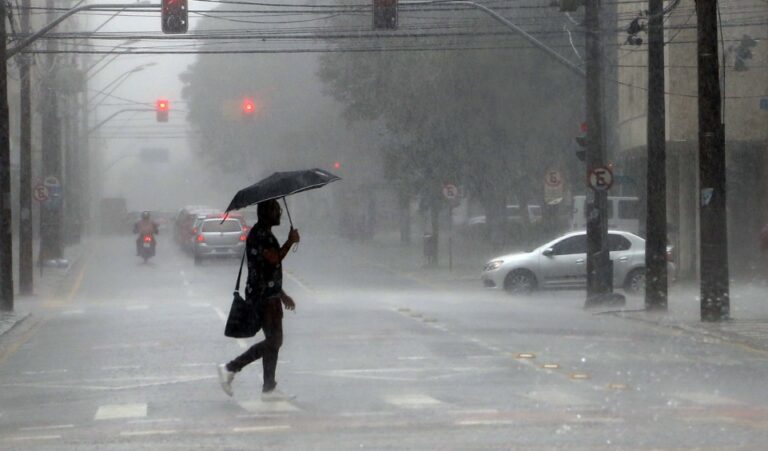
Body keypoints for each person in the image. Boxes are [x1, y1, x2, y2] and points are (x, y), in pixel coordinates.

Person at [218, 199, 300, 401]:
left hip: (270, 295)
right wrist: (290, 241)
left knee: (275, 341)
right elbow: (274, 259)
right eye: (275, 210)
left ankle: (269, 388)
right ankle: (230, 368)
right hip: (262, 298)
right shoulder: (259, 235)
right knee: (274, 341)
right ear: (265, 213)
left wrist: (282, 294)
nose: (279, 213)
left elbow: (268, 270)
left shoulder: (264, 233)